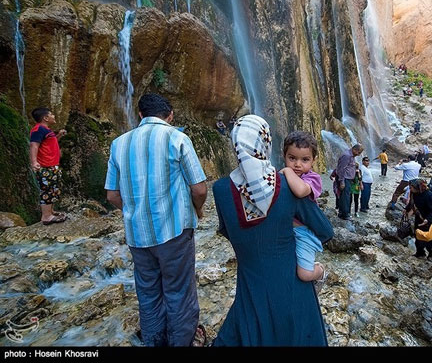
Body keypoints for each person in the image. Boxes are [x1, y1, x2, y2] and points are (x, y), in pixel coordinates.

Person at [212, 115, 334, 346]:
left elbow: (228, 231)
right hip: (291, 285)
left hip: (250, 284)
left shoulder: (219, 189)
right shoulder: (288, 185)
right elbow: (325, 231)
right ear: (265, 143)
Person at [105, 94, 208, 347]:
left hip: (138, 236)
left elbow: (111, 195)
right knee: (179, 291)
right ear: (170, 115)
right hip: (174, 231)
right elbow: (200, 188)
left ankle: (153, 341)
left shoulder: (119, 144)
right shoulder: (177, 138)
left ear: (140, 114)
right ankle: (181, 342)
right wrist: (197, 211)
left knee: (148, 292)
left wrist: (133, 211)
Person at [279, 130, 328, 290]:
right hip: (288, 231)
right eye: (292, 158)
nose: (297, 164)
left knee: (304, 274)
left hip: (305, 233)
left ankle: (320, 272)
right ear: (284, 156)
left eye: (305, 160)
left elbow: (300, 191)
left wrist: (286, 171)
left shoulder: (312, 178)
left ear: (314, 160)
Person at [30, 108, 68, 225]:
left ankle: (50, 211)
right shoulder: (38, 129)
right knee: (47, 190)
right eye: (51, 114)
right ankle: (46, 217)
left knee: (52, 189)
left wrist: (59, 135)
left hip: (52, 165)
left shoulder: (46, 130)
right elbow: (34, 145)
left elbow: (50, 143)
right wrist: (34, 162)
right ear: (45, 118)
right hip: (45, 166)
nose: (54, 115)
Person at [406, 179, 432, 258]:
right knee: (418, 235)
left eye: (411, 187)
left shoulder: (428, 196)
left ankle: (431, 254)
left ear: (417, 188)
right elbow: (412, 202)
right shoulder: (414, 193)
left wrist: (427, 220)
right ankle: (420, 253)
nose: (409, 189)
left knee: (430, 238)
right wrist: (406, 209)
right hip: (419, 217)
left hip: (429, 220)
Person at [336, 144, 364, 220]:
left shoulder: (351, 156)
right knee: (346, 197)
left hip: (348, 179)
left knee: (345, 196)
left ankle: (342, 213)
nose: (359, 154)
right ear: (355, 150)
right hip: (345, 179)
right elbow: (341, 169)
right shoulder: (347, 156)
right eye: (359, 152)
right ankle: (345, 214)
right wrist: (342, 181)